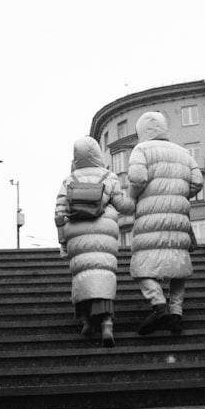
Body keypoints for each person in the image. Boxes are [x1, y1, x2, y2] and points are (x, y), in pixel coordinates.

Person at [127, 112, 204, 335]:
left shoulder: (141, 150)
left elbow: (137, 178)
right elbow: (197, 182)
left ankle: (159, 306)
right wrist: (179, 194)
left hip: (150, 214)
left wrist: (134, 196)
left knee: (142, 265)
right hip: (178, 215)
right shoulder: (184, 153)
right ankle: (176, 315)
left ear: (141, 130)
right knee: (178, 266)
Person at [54, 136, 135, 347]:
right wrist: (138, 200)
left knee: (82, 274)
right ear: (97, 153)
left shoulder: (68, 180)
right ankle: (107, 322)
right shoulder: (109, 176)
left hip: (77, 231)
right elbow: (122, 205)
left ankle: (87, 322)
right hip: (103, 231)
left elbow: (60, 212)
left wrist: (63, 240)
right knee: (102, 273)